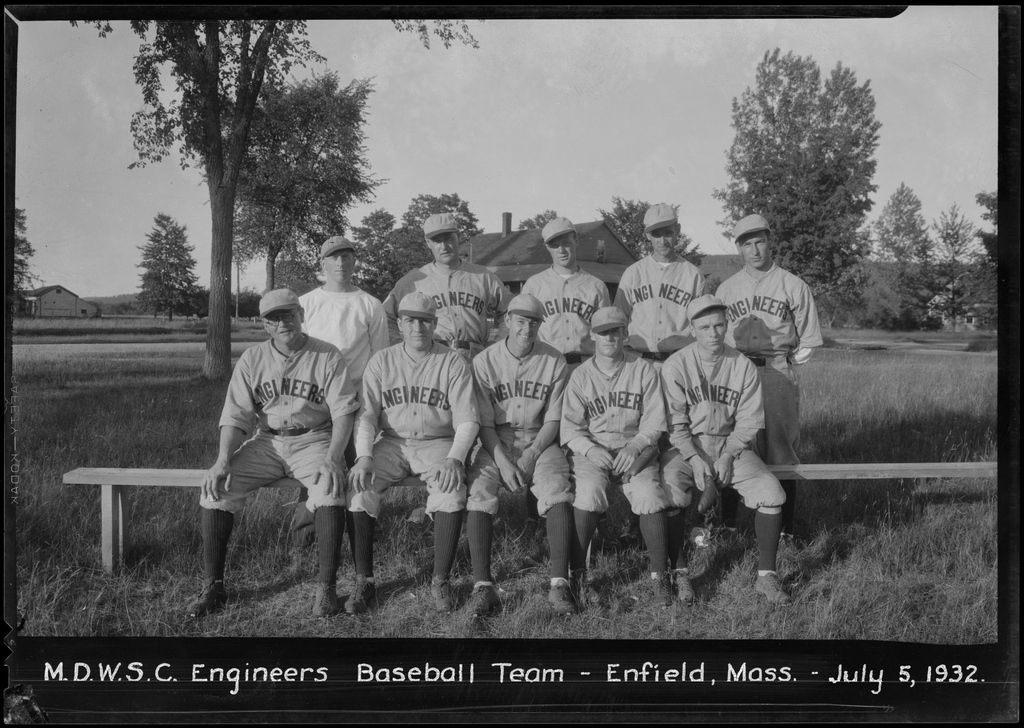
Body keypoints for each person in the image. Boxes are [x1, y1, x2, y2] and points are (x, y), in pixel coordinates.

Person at [191, 289, 359, 619]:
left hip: (314, 439)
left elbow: (343, 413)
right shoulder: (252, 359)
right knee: (217, 489)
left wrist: (332, 457)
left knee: (329, 487)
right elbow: (236, 415)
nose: (283, 323)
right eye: (274, 318)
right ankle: (214, 585)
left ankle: (326, 586)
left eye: (288, 314)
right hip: (267, 442)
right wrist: (222, 459)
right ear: (264, 325)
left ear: (301, 314)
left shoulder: (326, 355)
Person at [347, 292, 480, 613]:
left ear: (435, 324)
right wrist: (364, 455)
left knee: (451, 491)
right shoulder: (382, 361)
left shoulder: (452, 360)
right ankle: (363, 579)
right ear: (401, 325)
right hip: (392, 443)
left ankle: (440, 579)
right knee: (358, 488)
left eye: (425, 320)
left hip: (438, 444)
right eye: (410, 320)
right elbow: (365, 416)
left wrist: (455, 458)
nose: (417, 327)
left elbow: (468, 419)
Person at [660, 294, 791, 605]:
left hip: (731, 444)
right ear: (692, 329)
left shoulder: (743, 366)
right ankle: (680, 573)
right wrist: (693, 458)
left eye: (718, 325)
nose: (713, 333)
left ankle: (766, 576)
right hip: (687, 445)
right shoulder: (675, 365)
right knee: (670, 493)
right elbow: (675, 425)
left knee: (772, 493)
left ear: (727, 325)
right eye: (704, 327)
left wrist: (729, 455)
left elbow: (749, 422)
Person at [467, 293, 577, 615]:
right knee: (479, 490)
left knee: (557, 488)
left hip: (540, 438)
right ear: (507, 321)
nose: (526, 328)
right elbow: (483, 423)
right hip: (496, 438)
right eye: (520, 320)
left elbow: (554, 419)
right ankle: (482, 586)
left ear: (541, 325)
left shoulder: (554, 360)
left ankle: (560, 583)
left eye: (533, 321)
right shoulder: (484, 361)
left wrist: (530, 456)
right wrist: (501, 459)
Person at [715, 215, 823, 540]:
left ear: (769, 240)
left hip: (775, 372)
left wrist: (784, 362)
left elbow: (810, 340)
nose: (754, 249)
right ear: (739, 248)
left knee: (780, 448)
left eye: (759, 240)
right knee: (730, 444)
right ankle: (728, 526)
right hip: (735, 372)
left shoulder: (792, 284)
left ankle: (785, 531)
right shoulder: (727, 288)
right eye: (746, 243)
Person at [561, 306, 673, 608]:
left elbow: (654, 422)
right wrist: (590, 449)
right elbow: (570, 428)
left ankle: (660, 576)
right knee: (587, 492)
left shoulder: (643, 370)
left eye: (616, 330)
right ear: (592, 336)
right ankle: (579, 576)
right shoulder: (581, 375)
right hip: (593, 449)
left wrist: (636, 446)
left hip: (633, 448)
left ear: (625, 333)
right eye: (603, 331)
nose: (610, 336)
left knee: (650, 494)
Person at [289, 235, 389, 549]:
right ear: (323, 263)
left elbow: (380, 359)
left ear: (354, 261)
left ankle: (361, 540)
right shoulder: (306, 303)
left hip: (357, 401)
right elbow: (296, 355)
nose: (341, 263)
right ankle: (306, 540)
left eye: (346, 257)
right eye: (334, 257)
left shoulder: (370, 304)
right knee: (316, 469)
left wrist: (373, 407)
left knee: (360, 469)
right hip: (316, 402)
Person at [520, 216, 610, 539]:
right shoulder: (535, 285)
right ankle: (540, 517)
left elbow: (603, 334)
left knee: (585, 436)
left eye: (566, 240)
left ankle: (590, 516)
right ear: (547, 248)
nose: (561, 248)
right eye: (553, 243)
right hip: (546, 367)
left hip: (584, 367)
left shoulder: (595, 285)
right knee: (544, 437)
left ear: (575, 239)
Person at [382, 212, 513, 357]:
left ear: (459, 237)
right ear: (428, 243)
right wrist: (401, 346)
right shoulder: (414, 279)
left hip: (475, 356)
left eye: (448, 238)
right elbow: (385, 316)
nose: (444, 246)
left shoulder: (483, 276)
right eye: (437, 241)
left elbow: (512, 311)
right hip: (432, 356)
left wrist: (498, 345)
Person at [613, 203, 707, 363]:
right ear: (648, 235)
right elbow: (617, 319)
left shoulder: (693, 275)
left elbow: (704, 325)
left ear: (677, 230)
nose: (663, 241)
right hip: (637, 360)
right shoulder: (633, 273)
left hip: (679, 362)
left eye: (668, 233)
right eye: (656, 234)